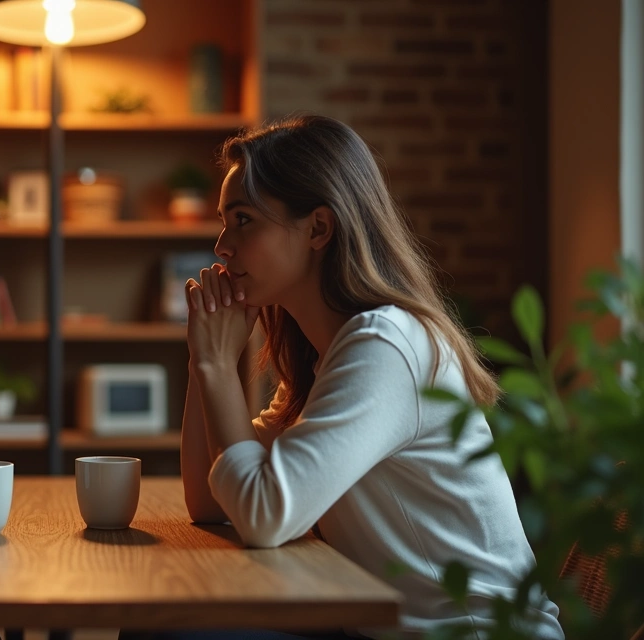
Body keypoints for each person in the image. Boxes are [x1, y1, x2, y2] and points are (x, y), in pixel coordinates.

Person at [127, 116, 564, 640]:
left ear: (318, 228)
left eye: (242, 220)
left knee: (167, 630)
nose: (221, 245)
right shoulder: (327, 356)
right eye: (224, 221)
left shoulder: (386, 346)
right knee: (161, 621)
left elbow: (262, 515)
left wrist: (218, 366)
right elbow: (211, 501)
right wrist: (206, 359)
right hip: (378, 629)